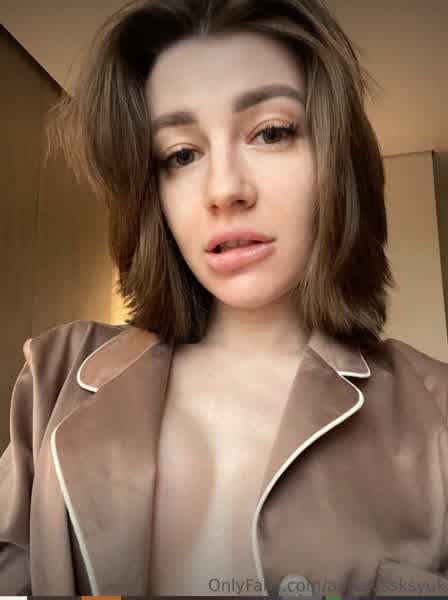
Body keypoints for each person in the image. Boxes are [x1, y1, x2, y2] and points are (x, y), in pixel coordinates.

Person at [1, 0, 448, 596]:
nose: (224, 190)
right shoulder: (54, 378)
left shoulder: (437, 413)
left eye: (271, 132)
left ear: (336, 157)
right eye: (181, 155)